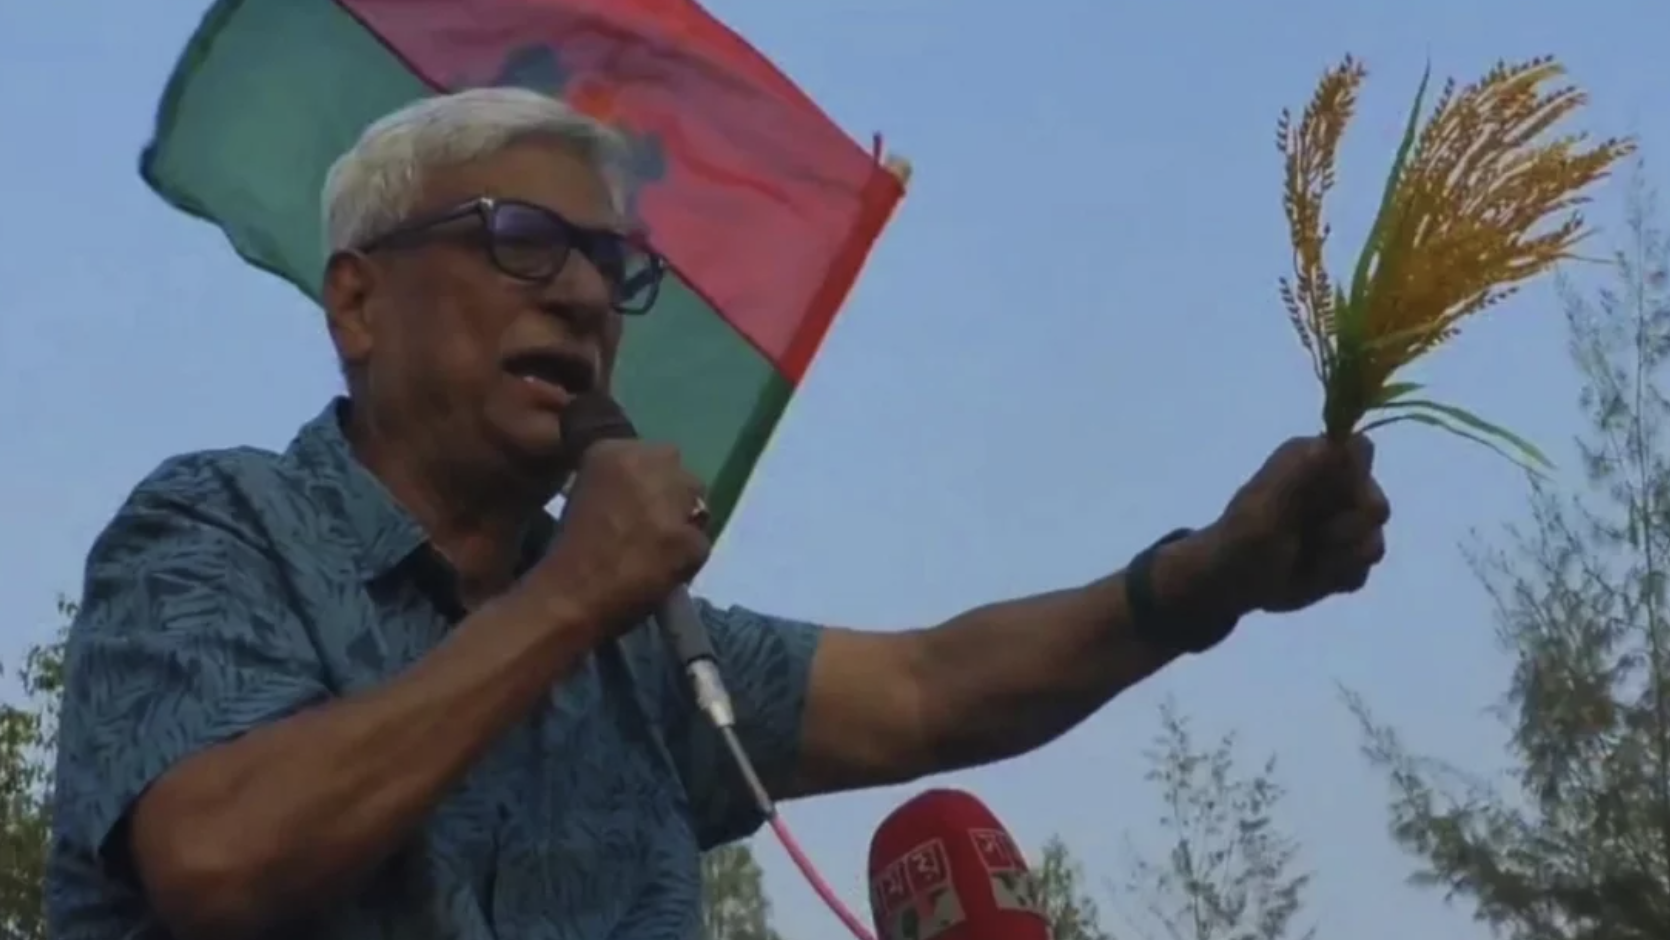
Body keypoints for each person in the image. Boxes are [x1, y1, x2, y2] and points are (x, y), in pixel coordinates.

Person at [46, 87, 1389, 940]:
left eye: (612, 266)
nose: (584, 295)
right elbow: (216, 857)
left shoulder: (645, 644)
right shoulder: (219, 527)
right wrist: (571, 599)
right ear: (357, 303)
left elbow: (927, 689)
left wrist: (1203, 581)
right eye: (521, 240)